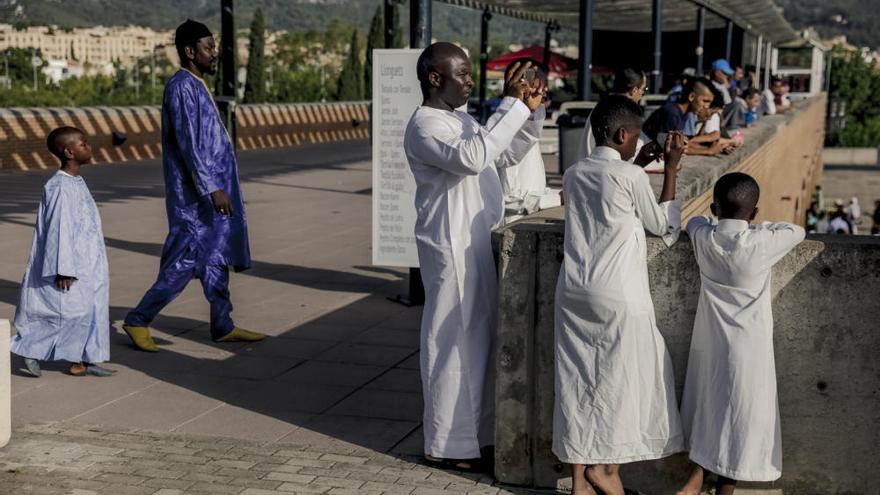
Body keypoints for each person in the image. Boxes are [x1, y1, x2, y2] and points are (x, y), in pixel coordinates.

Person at [403, 42, 545, 471]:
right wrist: (510, 105)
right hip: (450, 245)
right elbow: (473, 157)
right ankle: (444, 444)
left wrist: (528, 112)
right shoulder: (425, 125)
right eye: (462, 74)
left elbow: (502, 154)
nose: (469, 81)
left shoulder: (459, 119)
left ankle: (468, 440)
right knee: (452, 343)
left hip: (474, 242)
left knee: (477, 341)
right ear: (434, 78)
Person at [553, 95, 687, 495]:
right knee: (622, 382)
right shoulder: (630, 178)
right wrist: (671, 169)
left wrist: (638, 162)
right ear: (623, 133)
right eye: (635, 137)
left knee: (576, 383)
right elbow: (662, 226)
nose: (638, 143)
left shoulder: (574, 173)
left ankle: (579, 480)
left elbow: (608, 191)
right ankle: (606, 471)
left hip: (574, 290)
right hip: (618, 295)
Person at [123, 19, 264, 351]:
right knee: (185, 260)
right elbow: (189, 143)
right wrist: (211, 187)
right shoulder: (182, 86)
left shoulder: (198, 84)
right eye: (208, 47)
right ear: (189, 51)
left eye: (214, 47)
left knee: (215, 257)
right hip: (194, 199)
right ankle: (138, 319)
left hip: (211, 193)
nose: (214, 53)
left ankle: (223, 324)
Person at [677, 172, 805, 495]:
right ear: (754, 213)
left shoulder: (705, 239)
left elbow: (693, 222)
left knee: (712, 412)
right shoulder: (759, 244)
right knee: (740, 422)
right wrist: (756, 227)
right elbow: (797, 231)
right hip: (750, 350)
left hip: (711, 346)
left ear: (715, 208)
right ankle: (715, 488)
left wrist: (715, 221)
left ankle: (694, 483)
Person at [11, 127, 114, 378]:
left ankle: (82, 361)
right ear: (69, 151)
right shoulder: (59, 186)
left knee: (91, 309)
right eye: (84, 144)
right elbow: (58, 229)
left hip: (88, 260)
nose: (88, 147)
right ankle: (30, 348)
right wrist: (62, 268)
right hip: (70, 263)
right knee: (66, 311)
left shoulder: (75, 181)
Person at [495, 59, 561, 224]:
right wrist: (556, 199)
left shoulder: (528, 127)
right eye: (534, 92)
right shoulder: (506, 130)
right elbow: (506, 200)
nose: (540, 101)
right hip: (511, 228)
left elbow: (534, 187)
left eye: (543, 95)